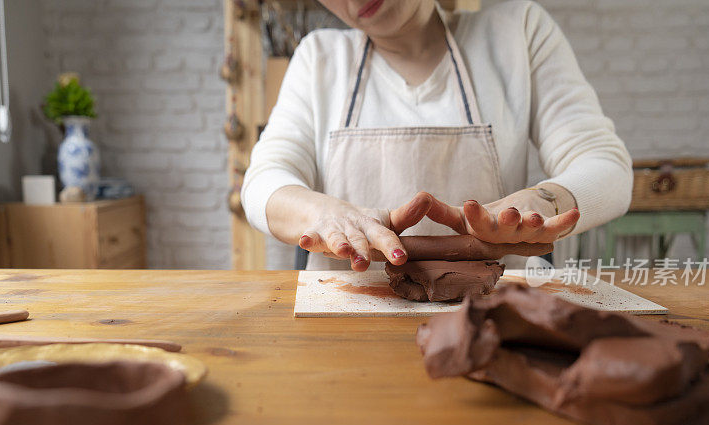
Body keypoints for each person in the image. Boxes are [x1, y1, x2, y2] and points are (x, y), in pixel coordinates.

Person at [242, 0, 632, 271]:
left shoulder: (519, 35)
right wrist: (324, 215)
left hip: (497, 322)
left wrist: (542, 201)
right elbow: (264, 181)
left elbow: (605, 165)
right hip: (347, 321)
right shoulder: (319, 60)